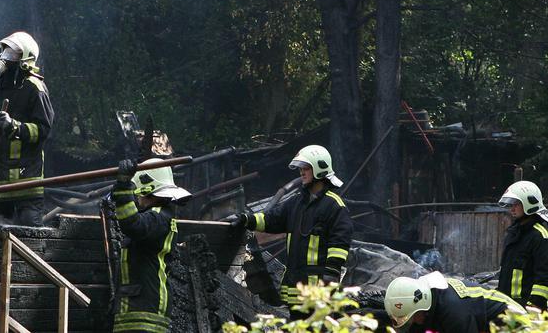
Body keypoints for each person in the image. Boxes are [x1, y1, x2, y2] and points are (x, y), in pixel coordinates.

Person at [227, 145, 352, 318]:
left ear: (320, 169)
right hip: (295, 288)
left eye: (306, 168)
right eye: (300, 168)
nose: (301, 172)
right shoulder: (296, 202)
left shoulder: (334, 206)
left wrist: (330, 277)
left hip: (318, 291)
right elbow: (271, 219)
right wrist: (247, 219)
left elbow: (339, 245)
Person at [110, 159, 191, 333]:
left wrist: (123, 187)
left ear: (148, 190)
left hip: (145, 308)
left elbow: (132, 224)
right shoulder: (159, 216)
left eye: (138, 195)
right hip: (140, 304)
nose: (137, 199)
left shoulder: (158, 217)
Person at [0, 31, 54, 226]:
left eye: (12, 53)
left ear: (25, 59)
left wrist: (13, 126)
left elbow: (44, 130)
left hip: (27, 183)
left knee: (27, 236)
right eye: (4, 52)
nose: (5, 58)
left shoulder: (35, 88)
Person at [385, 272, 524, 333]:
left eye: (412, 317)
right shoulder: (433, 300)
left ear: (421, 305)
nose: (413, 322)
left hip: (516, 323)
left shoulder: (454, 312)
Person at [496, 180, 548, 309]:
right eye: (511, 204)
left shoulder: (540, 236)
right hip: (508, 306)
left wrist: (533, 306)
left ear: (529, 203)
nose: (512, 209)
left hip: (526, 308)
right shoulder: (514, 234)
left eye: (516, 204)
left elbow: (543, 278)